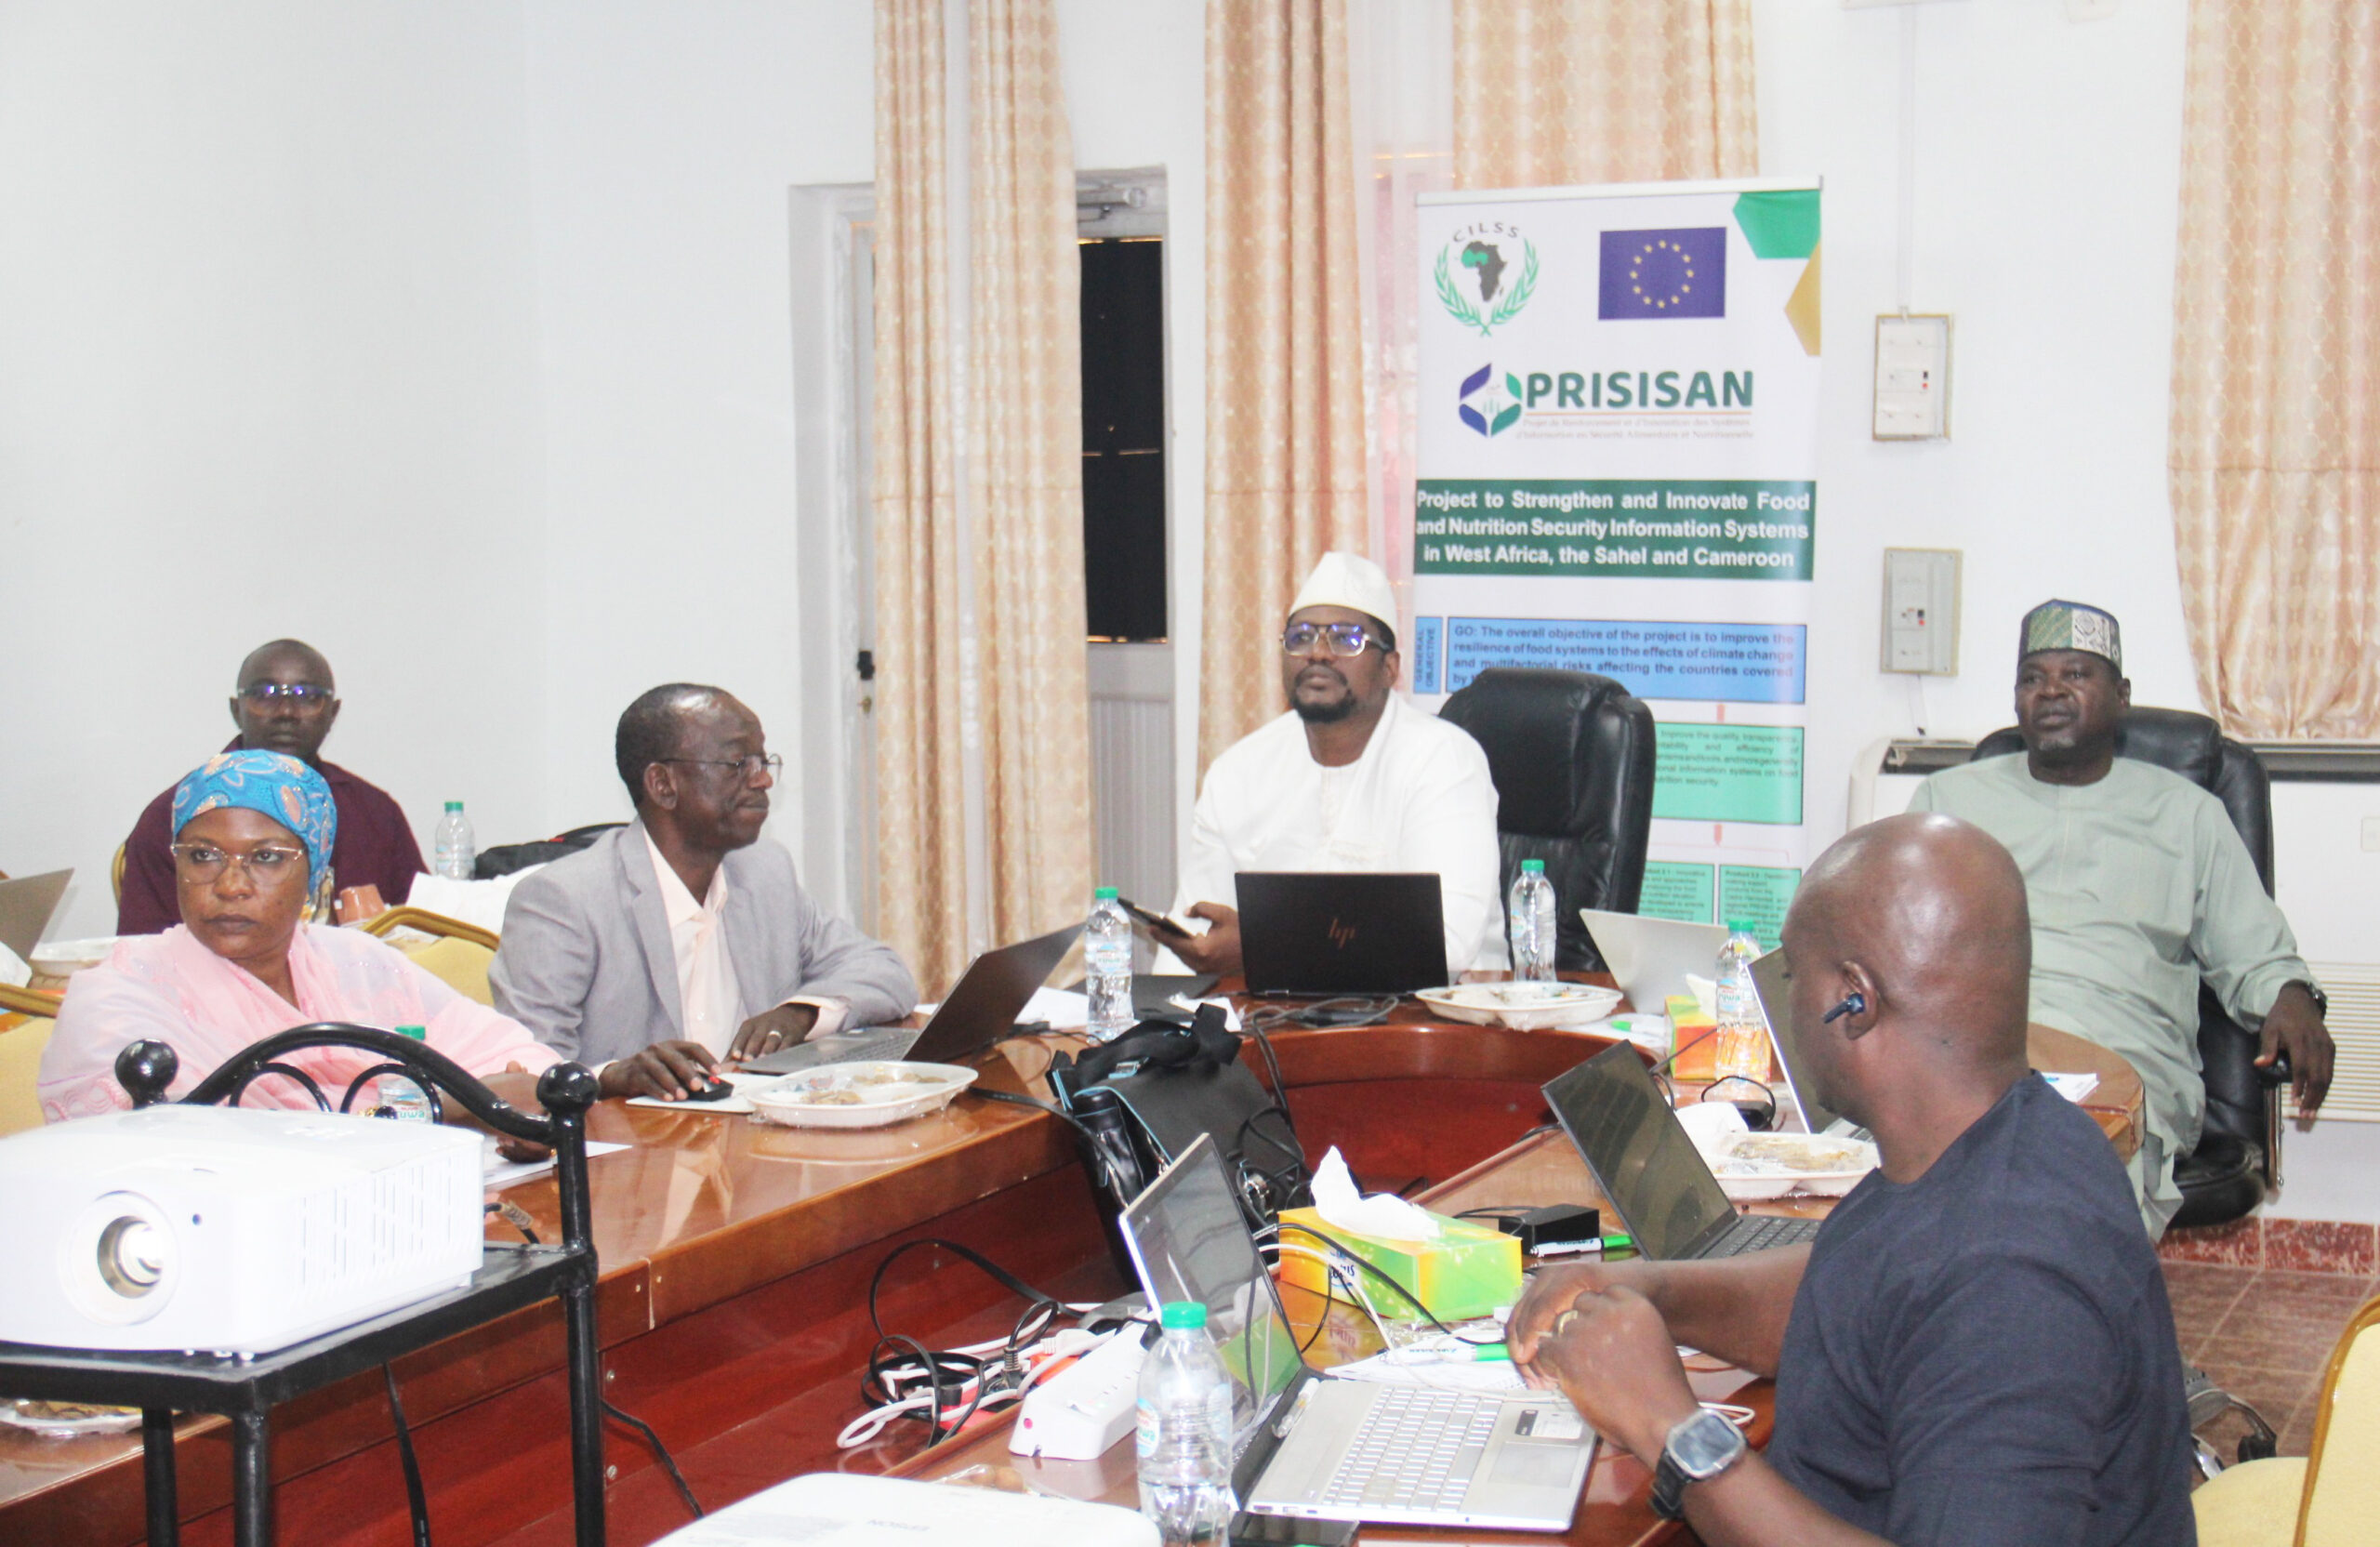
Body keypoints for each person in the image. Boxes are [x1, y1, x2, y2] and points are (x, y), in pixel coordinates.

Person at [1506, 813, 2195, 1545]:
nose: (1784, 1004)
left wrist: (1669, 1426)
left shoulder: (2011, 1280)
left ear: (1854, 1001)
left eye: (1791, 976)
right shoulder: (2011, 1136)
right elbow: (1853, 1303)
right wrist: (1651, 1291)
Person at [1907, 599, 2333, 1234]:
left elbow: (2257, 955)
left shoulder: (2189, 814)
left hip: (2120, 1060)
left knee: (2061, 1184)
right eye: (2032, 677)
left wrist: (2294, 999)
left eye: (2076, 674)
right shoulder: (1947, 801)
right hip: (1976, 1048)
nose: (2051, 690)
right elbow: (1891, 935)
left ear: (2122, 695)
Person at [44, 751, 554, 1121]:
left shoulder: (356, 962)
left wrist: (515, 1113)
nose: (231, 885)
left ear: (316, 877)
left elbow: (525, 1066)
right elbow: (211, 1146)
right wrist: (461, 1106)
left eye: (266, 858)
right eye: (202, 856)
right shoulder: (116, 998)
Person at [490, 683, 916, 1101]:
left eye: (763, 761)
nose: (763, 779)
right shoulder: (562, 901)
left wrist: (800, 1013)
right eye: (738, 764)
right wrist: (613, 1077)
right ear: (663, 784)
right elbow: (524, 1074)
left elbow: (885, 971)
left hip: (756, 1131)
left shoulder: (764, 871)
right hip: (633, 1140)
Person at [1166, 551, 1501, 976]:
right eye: (1301, 637)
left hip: (1430, 1010)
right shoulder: (1238, 771)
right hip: (1273, 1010)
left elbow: (1445, 944)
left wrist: (1261, 948)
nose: (1318, 653)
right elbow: (1196, 931)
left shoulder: (1443, 761)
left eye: (1345, 639)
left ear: (1390, 668)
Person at [117, 640, 428, 934]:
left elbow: (424, 929)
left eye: (307, 696)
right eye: (265, 694)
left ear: (332, 713)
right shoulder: (176, 814)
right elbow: (142, 951)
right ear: (236, 710)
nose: (286, 712)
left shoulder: (373, 811)